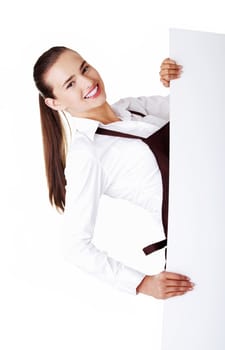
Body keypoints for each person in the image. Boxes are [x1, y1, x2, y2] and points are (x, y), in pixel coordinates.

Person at [33, 46, 194, 299]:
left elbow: (200, 108)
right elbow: (74, 246)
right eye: (71, 84)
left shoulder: (133, 108)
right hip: (198, 236)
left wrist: (181, 77)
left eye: (84, 68)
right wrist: (142, 283)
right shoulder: (87, 153)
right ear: (55, 103)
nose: (87, 82)